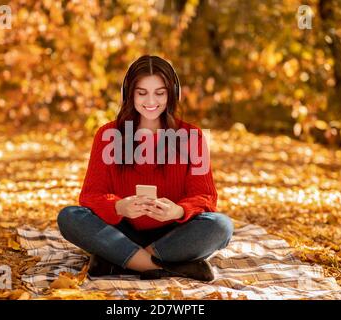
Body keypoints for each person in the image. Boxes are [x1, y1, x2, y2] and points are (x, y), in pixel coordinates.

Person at [57, 55, 233, 281]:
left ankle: (120, 261)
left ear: (172, 94)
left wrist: (177, 211)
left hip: (173, 234)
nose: (151, 101)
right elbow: (91, 196)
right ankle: (167, 266)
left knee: (221, 226)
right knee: (69, 216)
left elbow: (205, 197)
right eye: (142, 93)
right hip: (122, 231)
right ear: (129, 94)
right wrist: (120, 206)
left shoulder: (192, 136)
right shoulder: (107, 135)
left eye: (160, 93)